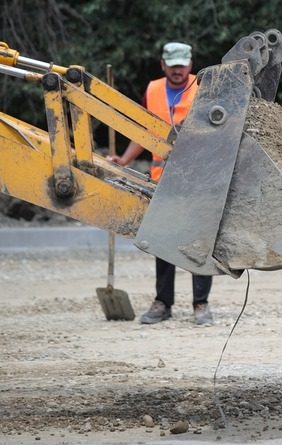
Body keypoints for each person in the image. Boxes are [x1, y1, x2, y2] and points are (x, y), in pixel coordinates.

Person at [108, 41, 214, 326]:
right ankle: (162, 303)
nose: (177, 71)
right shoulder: (153, 90)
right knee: (163, 242)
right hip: (163, 182)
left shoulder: (204, 88)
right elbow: (145, 131)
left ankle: (201, 305)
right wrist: (125, 160)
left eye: (182, 65)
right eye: (172, 65)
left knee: (198, 243)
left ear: (190, 65)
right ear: (163, 65)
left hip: (197, 180)